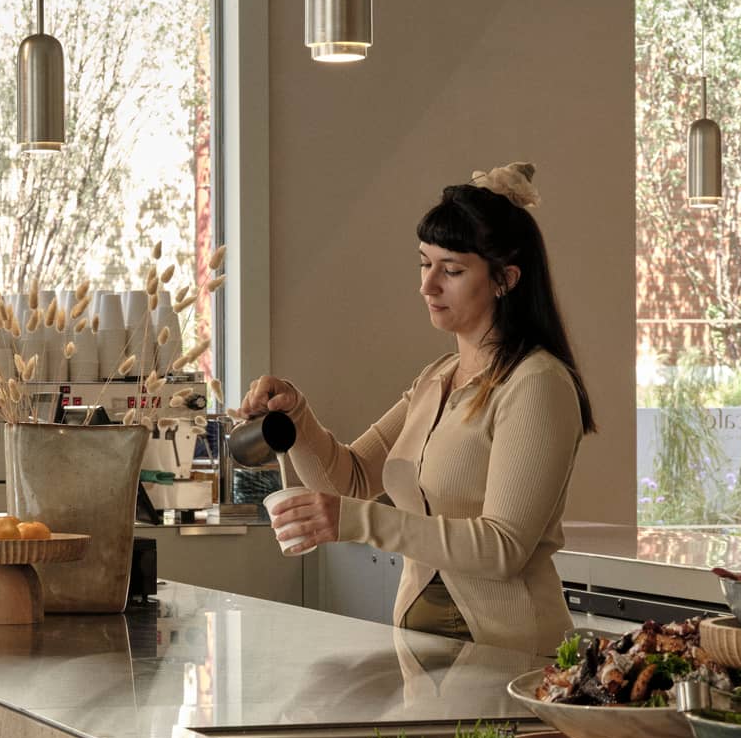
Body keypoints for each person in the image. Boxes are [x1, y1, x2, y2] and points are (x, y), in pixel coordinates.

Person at [240, 162, 595, 655]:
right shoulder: (437, 379)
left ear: (505, 279)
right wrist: (296, 416)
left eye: (451, 270)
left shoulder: (536, 385)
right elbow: (348, 479)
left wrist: (357, 522)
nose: (428, 286)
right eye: (424, 264)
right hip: (421, 644)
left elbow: (504, 548)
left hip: (509, 649)